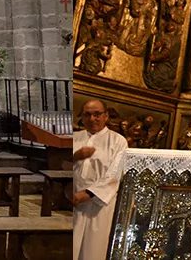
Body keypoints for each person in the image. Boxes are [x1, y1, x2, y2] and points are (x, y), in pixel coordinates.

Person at [72, 99, 128, 260]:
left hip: (100, 205)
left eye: (97, 114)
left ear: (106, 116)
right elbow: (60, 164)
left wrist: (89, 193)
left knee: (94, 251)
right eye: (87, 115)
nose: (92, 119)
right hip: (73, 202)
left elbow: (116, 174)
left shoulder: (118, 141)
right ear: (82, 117)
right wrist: (75, 157)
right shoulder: (74, 138)